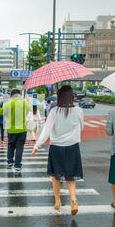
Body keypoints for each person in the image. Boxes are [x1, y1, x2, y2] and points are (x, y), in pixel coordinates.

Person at [32, 85, 84, 214]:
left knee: (56, 176)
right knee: (70, 175)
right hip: (72, 146)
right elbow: (81, 127)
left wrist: (36, 145)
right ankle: (73, 198)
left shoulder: (54, 111)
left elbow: (46, 131)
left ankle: (57, 201)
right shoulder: (78, 110)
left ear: (59, 97)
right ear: (72, 96)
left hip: (56, 147)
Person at [0, 89, 31, 172]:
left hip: (11, 129)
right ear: (19, 95)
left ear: (11, 96)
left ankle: (10, 162)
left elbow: (0, 112)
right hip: (22, 129)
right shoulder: (24, 103)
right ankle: (17, 165)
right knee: (19, 147)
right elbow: (30, 109)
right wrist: (28, 100)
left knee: (10, 146)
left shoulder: (7, 104)